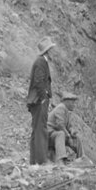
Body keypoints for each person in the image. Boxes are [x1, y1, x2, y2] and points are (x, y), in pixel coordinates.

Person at [26, 36, 55, 165]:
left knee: (37, 129)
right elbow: (39, 81)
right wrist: (44, 98)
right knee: (40, 129)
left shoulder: (41, 61)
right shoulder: (41, 62)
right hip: (39, 101)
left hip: (37, 101)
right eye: (51, 49)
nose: (53, 51)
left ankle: (34, 161)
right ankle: (41, 160)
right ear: (47, 51)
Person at [47, 92, 84, 165]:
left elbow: (69, 126)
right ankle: (61, 159)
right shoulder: (61, 107)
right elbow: (60, 125)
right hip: (49, 134)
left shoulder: (67, 111)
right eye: (72, 103)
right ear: (66, 102)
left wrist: (72, 131)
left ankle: (81, 158)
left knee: (76, 138)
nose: (74, 105)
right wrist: (68, 135)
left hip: (56, 134)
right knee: (61, 134)